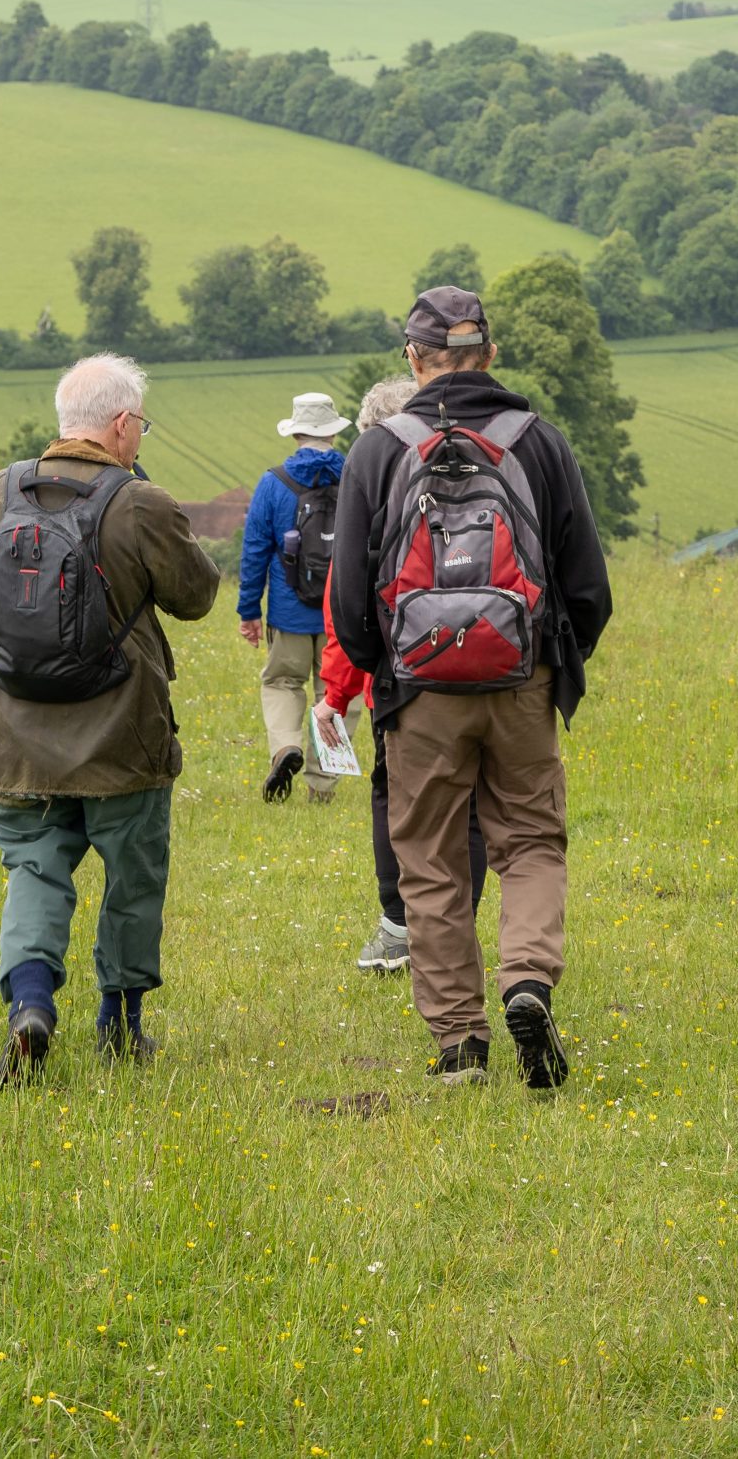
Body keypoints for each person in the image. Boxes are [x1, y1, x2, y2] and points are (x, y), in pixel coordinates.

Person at [329, 287, 613, 1087]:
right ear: (491, 354)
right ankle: (527, 980)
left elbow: (350, 601)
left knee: (429, 859)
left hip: (417, 691)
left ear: (413, 361)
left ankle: (460, 1043)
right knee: (528, 841)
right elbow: (588, 585)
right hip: (524, 678)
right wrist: (553, 664)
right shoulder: (541, 442)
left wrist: (388, 670)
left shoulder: (379, 450)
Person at [0, 353, 221, 1085]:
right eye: (140, 426)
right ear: (122, 425)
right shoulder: (139, 502)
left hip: (15, 739)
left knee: (34, 868)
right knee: (132, 878)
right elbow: (196, 596)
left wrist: (14, 670)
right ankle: (120, 1028)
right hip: (124, 735)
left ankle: (29, 1005)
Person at [310, 375, 490, 974]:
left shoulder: (374, 502)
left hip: (404, 680)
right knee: (468, 804)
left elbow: (345, 611)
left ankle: (398, 930)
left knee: (395, 799)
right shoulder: (481, 478)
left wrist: (336, 694)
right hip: (487, 667)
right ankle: (459, 924)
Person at [239, 392, 353, 805]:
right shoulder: (355, 476)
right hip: (342, 614)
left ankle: (286, 745)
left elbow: (254, 551)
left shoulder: (274, 483)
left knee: (283, 682)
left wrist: (249, 611)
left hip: (288, 612)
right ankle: (322, 786)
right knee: (336, 691)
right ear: (334, 433)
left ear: (297, 433)